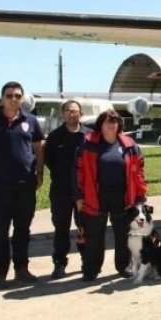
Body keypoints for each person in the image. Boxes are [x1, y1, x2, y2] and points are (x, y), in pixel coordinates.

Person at [0, 81, 45, 289]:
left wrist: (40, 173)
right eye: (10, 95)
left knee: (23, 230)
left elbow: (39, 148)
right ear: (2, 98)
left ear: (22, 99)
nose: (14, 99)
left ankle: (21, 269)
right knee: (0, 231)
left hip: (25, 186)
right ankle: (0, 273)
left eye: (18, 96)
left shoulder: (30, 121)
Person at [74, 109, 146, 281]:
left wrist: (140, 194)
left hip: (123, 196)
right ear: (101, 125)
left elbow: (139, 171)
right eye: (108, 121)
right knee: (94, 235)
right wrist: (78, 196)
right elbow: (78, 171)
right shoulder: (88, 143)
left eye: (115, 121)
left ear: (119, 124)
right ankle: (91, 268)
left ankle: (123, 265)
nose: (112, 124)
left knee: (124, 234)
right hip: (95, 195)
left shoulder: (129, 144)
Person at [44, 100, 91, 278]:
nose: (72, 114)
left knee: (84, 227)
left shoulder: (89, 136)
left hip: (84, 192)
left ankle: (87, 260)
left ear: (81, 114)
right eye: (68, 111)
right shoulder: (55, 136)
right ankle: (59, 263)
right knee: (61, 228)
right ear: (63, 113)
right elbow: (49, 160)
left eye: (75, 111)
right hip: (61, 191)